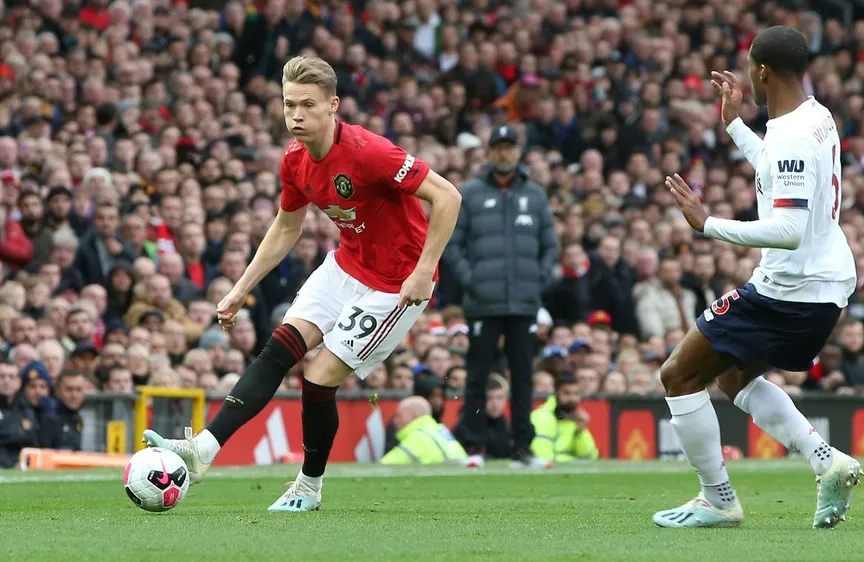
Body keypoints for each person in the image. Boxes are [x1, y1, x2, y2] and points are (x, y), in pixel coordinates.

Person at [143, 56, 462, 512]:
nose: (295, 115)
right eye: (289, 104)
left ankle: (308, 488)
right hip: (347, 265)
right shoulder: (294, 160)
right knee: (279, 348)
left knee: (317, 378)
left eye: (307, 105)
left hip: (396, 283)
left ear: (333, 106)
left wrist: (422, 270)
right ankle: (202, 451)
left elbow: (448, 196)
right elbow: (285, 227)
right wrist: (239, 288)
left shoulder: (370, 151)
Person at [653, 27, 861, 530]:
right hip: (825, 284)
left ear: (762, 71)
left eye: (749, 65)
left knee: (678, 375)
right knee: (731, 375)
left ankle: (718, 499)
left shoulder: (789, 135)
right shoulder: (815, 116)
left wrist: (707, 225)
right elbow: (779, 170)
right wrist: (735, 127)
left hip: (789, 289)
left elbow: (788, 229)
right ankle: (824, 460)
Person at [444, 125, 558, 470]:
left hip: (523, 302)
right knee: (478, 374)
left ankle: (523, 448)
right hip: (483, 301)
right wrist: (471, 280)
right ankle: (475, 446)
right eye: (499, 148)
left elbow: (550, 245)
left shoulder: (535, 196)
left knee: (523, 374)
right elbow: (452, 243)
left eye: (510, 147)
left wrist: (537, 281)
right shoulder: (471, 194)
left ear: (518, 152)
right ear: (489, 152)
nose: (504, 154)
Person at [529, 372, 598, 463]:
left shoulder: (577, 418)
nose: (572, 398)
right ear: (556, 393)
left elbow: (589, 457)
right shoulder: (542, 417)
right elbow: (543, 456)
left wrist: (581, 432)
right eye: (566, 393)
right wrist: (571, 461)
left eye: (576, 394)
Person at [380, 396, 466, 465]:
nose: (395, 421)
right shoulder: (438, 429)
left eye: (398, 416)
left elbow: (385, 465)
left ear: (414, 416)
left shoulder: (419, 438)